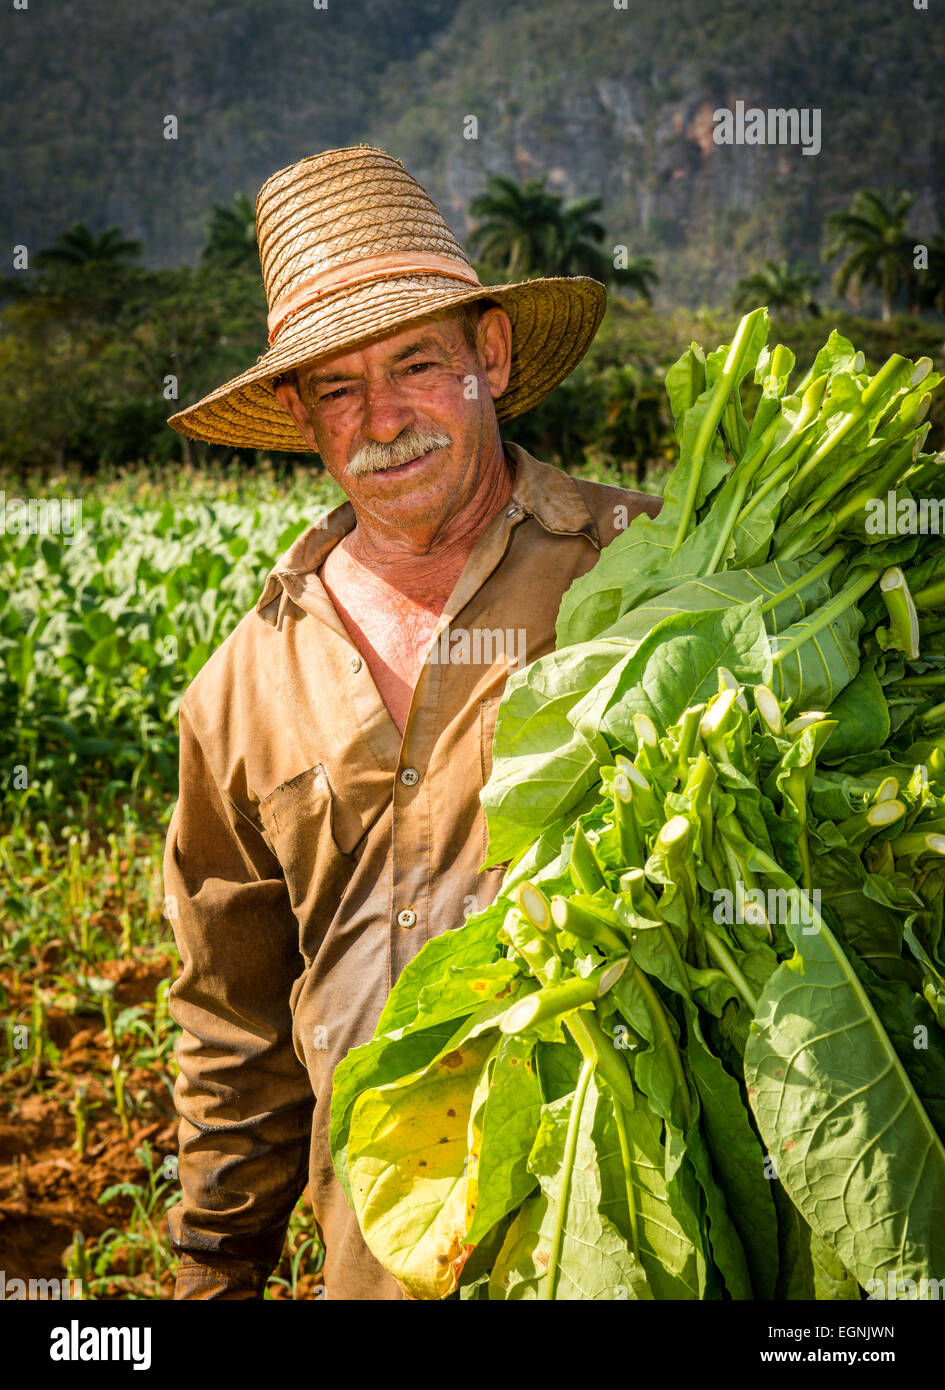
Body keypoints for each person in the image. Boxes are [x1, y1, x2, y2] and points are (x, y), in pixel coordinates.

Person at [163, 144, 661, 1300]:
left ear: (489, 353)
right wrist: (213, 1276)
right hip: (381, 1274)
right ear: (300, 412)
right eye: (338, 386)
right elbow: (232, 1041)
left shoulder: (650, 577)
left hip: (645, 1247)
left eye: (417, 364)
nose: (383, 418)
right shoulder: (242, 690)